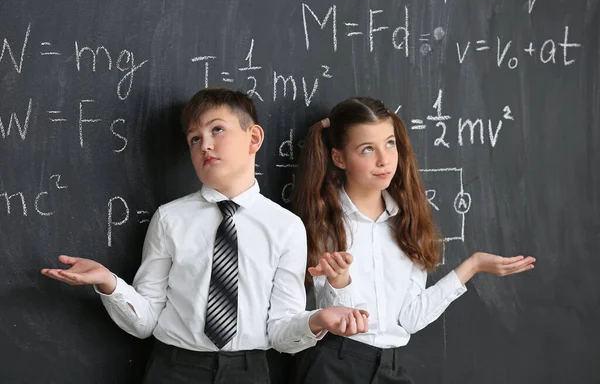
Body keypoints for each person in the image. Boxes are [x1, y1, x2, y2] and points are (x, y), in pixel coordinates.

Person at [41, 88, 369, 384]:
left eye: (217, 129)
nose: (205, 145)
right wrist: (108, 283)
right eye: (194, 139)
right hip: (173, 368)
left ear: (254, 138)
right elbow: (146, 321)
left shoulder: (286, 227)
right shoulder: (170, 218)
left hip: (249, 371)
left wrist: (317, 320)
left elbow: (281, 332)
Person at [289, 96, 536, 384]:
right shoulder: (325, 224)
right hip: (333, 365)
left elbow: (411, 319)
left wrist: (472, 267)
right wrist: (339, 281)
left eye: (390, 143)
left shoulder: (408, 224)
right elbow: (347, 324)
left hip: (389, 367)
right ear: (339, 158)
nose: (384, 160)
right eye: (367, 149)